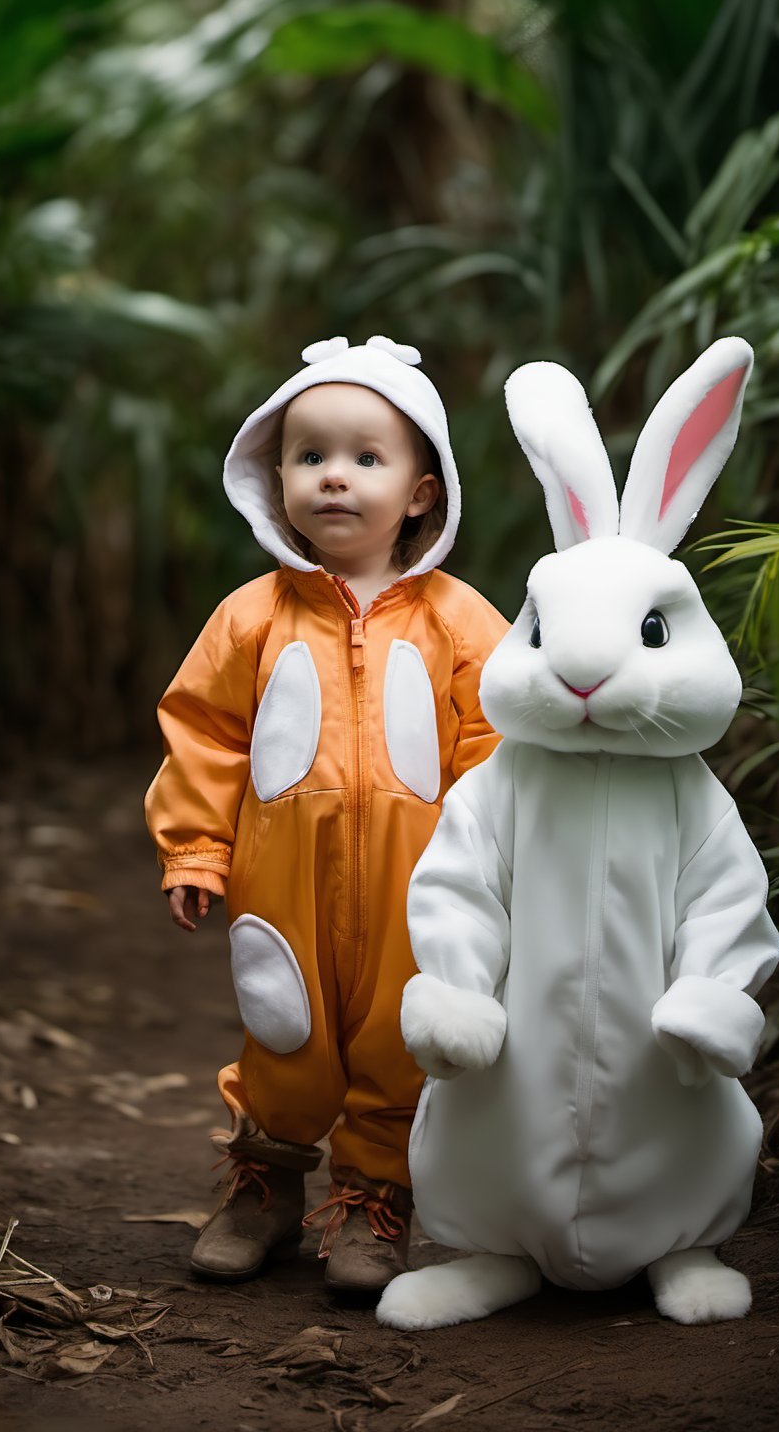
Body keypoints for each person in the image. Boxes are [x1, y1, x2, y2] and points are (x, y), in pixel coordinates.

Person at [144, 334, 509, 1293]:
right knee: (283, 1024)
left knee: (399, 1034)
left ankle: (374, 1201)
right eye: (310, 457)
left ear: (421, 491)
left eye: (365, 458)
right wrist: (194, 848)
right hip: (284, 884)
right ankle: (264, 1184)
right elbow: (204, 731)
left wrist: (500, 868)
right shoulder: (252, 616)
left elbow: (497, 743)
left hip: (421, 885)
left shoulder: (459, 620)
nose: (334, 479)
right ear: (277, 481)